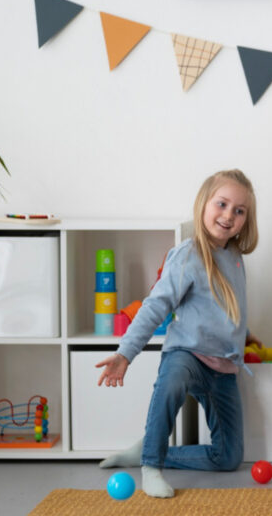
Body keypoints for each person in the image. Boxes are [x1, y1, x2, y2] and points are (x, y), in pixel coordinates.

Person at [95, 169, 261, 498]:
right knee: (171, 384)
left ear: (246, 220)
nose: (229, 215)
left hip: (223, 368)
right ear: (203, 205)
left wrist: (243, 336)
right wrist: (125, 353)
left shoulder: (235, 257)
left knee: (228, 458)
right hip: (187, 355)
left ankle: (148, 451)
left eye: (239, 211)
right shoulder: (187, 254)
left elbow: (224, 308)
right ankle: (150, 465)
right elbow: (155, 305)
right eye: (222, 204)